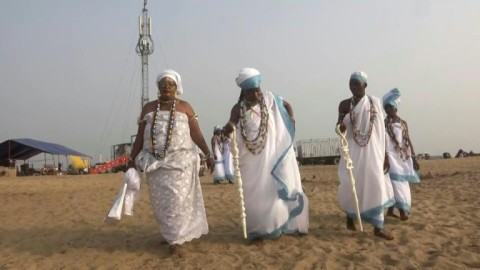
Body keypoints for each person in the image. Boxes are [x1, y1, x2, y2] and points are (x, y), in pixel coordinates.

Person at [128, 69, 214, 257]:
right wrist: (131, 158)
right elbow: (140, 137)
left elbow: (196, 134)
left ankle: (176, 240)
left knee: (178, 201)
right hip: (155, 164)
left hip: (181, 163)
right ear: (158, 87)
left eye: (170, 83)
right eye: (163, 83)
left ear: (177, 88)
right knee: (163, 205)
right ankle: (170, 235)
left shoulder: (185, 107)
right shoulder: (149, 109)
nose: (166, 86)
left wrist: (208, 153)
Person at [223, 67, 309, 242]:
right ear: (243, 91)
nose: (256, 94)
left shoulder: (271, 100)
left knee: (273, 195)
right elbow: (231, 124)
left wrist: (291, 118)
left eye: (258, 90)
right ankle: (258, 231)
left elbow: (287, 105)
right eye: (251, 91)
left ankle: (275, 226)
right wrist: (229, 128)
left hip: (271, 158)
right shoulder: (237, 108)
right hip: (250, 160)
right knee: (254, 199)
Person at [336, 71, 395, 240]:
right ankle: (350, 216)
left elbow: (381, 131)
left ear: (365, 86)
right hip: (352, 151)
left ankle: (378, 227)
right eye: (351, 83)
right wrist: (341, 125)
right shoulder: (344, 105)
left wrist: (385, 155)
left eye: (357, 83)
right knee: (352, 184)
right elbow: (340, 128)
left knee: (376, 183)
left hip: (373, 151)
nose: (353, 86)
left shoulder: (374, 103)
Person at [383, 88, 420, 221]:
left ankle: (391, 211)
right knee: (396, 184)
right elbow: (382, 142)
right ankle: (402, 212)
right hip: (390, 157)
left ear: (395, 108)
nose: (388, 110)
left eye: (390, 107)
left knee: (401, 184)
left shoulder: (403, 123)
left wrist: (414, 157)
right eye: (386, 107)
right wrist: (385, 158)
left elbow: (408, 140)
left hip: (404, 157)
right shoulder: (384, 124)